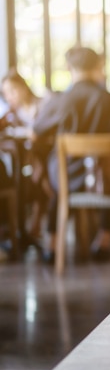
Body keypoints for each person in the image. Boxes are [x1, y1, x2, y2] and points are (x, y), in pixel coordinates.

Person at [33, 46, 110, 263]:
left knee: (57, 181)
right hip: (105, 181)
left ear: (69, 68)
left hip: (67, 180)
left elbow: (36, 132)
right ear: (98, 66)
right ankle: (104, 241)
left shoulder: (60, 100)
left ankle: (51, 244)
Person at [0, 69, 51, 241]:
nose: (9, 96)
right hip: (30, 159)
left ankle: (32, 224)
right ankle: (45, 211)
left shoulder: (44, 103)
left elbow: (44, 133)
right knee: (38, 171)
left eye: (12, 90)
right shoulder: (11, 114)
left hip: (49, 153)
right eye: (6, 93)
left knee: (38, 167)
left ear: (23, 87)